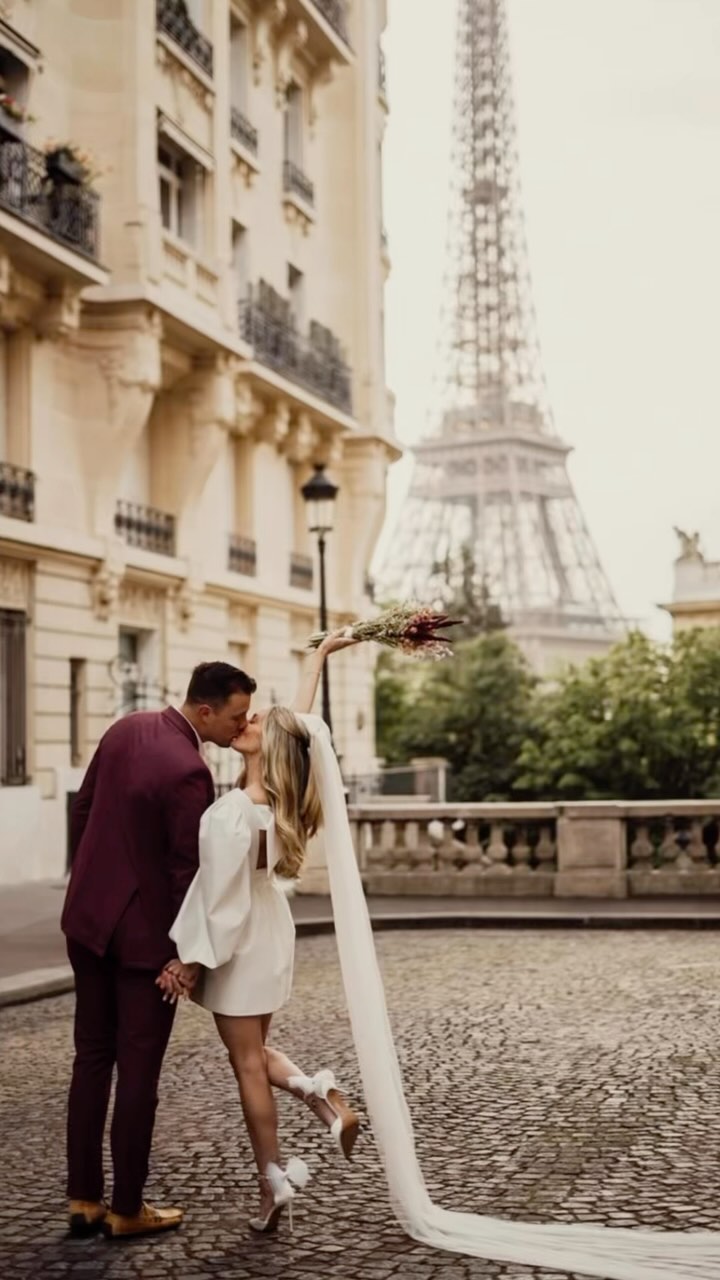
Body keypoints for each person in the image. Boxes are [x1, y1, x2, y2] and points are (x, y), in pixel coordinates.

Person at [162, 651, 360, 1233]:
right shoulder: (283, 801)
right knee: (256, 1050)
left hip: (240, 938)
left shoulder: (231, 813)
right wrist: (317, 658)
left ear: (267, 746)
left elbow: (220, 902)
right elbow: (298, 731)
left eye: (255, 721)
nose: (246, 721)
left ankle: (272, 1181)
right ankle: (318, 1093)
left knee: (247, 1063)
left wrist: (189, 960)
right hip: (269, 930)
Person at [61, 661, 255, 1240]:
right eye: (236, 716)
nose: (240, 726)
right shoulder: (190, 770)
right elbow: (185, 871)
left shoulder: (124, 729)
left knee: (91, 1059)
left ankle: (82, 1198)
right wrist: (187, 953)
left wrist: (89, 883)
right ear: (204, 711)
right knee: (138, 1071)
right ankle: (126, 1207)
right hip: (145, 944)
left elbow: (82, 811)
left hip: (87, 922)